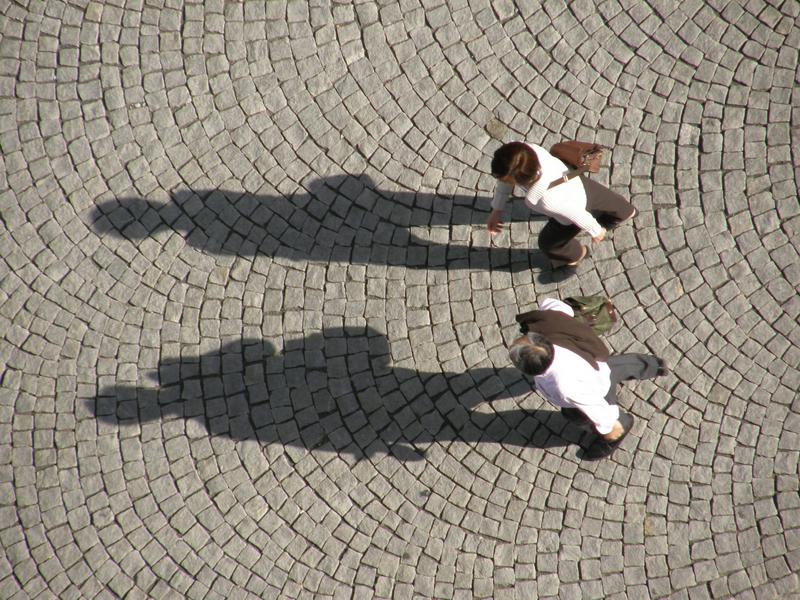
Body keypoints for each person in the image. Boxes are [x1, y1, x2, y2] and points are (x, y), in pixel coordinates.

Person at [508, 298, 668, 446]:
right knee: (617, 367)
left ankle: (624, 422)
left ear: (530, 370)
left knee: (575, 416)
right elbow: (557, 306)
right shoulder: (548, 325)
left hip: (596, 387)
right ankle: (655, 365)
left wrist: (610, 429)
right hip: (593, 360)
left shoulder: (565, 387)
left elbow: (595, 409)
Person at [489, 142, 636, 267]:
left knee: (549, 244)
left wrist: (596, 231)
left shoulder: (544, 199)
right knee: (605, 198)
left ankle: (577, 255)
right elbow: (507, 177)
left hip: (575, 206)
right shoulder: (524, 152)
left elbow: (576, 213)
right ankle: (625, 211)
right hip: (574, 181)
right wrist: (497, 209)